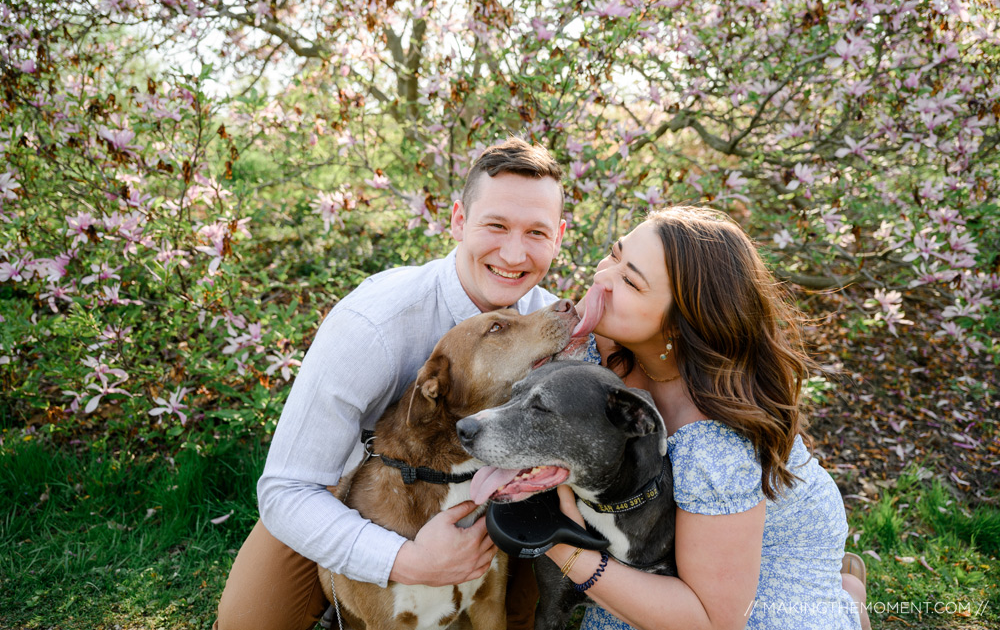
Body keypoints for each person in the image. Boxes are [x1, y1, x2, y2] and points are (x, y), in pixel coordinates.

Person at [214, 137, 567, 630]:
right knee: (246, 625)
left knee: (513, 613)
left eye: (536, 232)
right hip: (345, 490)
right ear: (458, 222)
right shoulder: (373, 324)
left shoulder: (544, 324)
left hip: (484, 484)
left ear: (559, 236)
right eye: (496, 225)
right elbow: (287, 489)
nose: (514, 252)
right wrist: (405, 560)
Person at [553, 206, 871, 630]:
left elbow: (711, 621)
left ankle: (844, 602)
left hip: (757, 590)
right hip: (690, 549)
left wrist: (567, 551)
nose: (602, 278)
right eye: (614, 254)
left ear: (678, 328)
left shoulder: (713, 446)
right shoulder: (608, 339)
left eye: (630, 281)